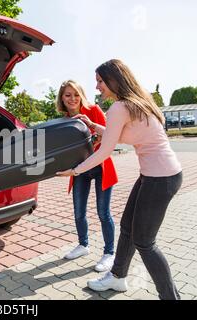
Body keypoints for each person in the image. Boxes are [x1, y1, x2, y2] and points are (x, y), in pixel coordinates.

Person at [57, 59, 183, 300]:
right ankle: (117, 277)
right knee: (127, 227)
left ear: (114, 80)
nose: (97, 87)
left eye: (100, 81)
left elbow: (105, 151)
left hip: (160, 179)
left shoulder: (119, 108)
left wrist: (75, 171)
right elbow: (124, 134)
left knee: (145, 242)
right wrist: (94, 125)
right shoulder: (139, 101)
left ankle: (170, 297)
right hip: (157, 175)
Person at [56, 80, 118, 272]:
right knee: (78, 212)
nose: (72, 99)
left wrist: (95, 135)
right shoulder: (64, 120)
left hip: (101, 168)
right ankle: (83, 245)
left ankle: (109, 253)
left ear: (81, 95)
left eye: (76, 94)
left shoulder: (94, 110)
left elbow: (109, 138)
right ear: (62, 98)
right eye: (68, 95)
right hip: (80, 170)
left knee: (103, 212)